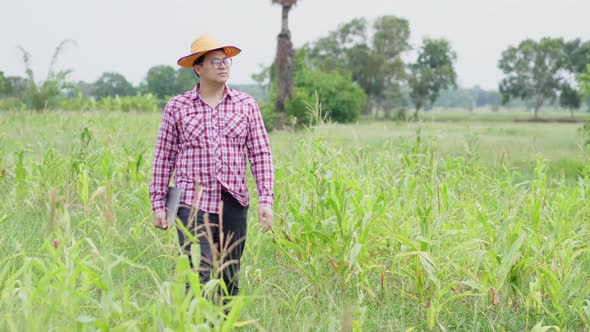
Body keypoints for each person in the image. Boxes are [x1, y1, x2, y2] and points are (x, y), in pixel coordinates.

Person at [148, 34, 274, 299]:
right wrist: (158, 204)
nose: (223, 65)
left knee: (229, 276)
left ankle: (223, 324)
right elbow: (163, 157)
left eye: (226, 61)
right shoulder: (177, 107)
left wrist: (266, 200)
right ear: (198, 68)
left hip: (233, 201)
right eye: (215, 61)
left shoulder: (246, 105)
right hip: (191, 204)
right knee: (199, 274)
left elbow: (260, 154)